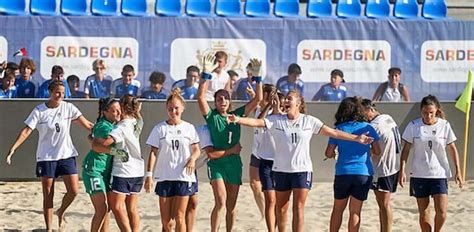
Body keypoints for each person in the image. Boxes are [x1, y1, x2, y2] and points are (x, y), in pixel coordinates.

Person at [227, 91, 374, 232]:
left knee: (298, 208)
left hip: (302, 171)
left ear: (298, 103)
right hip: (281, 170)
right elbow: (256, 122)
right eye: (285, 98)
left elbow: (334, 132)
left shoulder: (308, 121)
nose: (285, 101)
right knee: (281, 208)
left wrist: (357, 138)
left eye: (289, 98)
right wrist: (238, 119)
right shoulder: (276, 120)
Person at [5, 80, 94, 230]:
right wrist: (13, 149)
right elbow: (26, 131)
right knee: (48, 196)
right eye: (57, 92)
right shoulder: (39, 111)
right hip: (46, 157)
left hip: (66, 154)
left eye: (62, 93)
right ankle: (49, 228)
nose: (60, 96)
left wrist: (108, 130)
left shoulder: (69, 107)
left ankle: (61, 212)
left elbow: (88, 125)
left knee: (73, 191)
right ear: (50, 92)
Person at [197, 54, 263, 232]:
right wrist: (205, 74)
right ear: (216, 102)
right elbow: (201, 98)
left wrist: (258, 78)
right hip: (217, 163)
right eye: (219, 99)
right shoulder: (212, 117)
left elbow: (258, 100)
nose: (223, 101)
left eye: (225, 99)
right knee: (220, 201)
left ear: (229, 101)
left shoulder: (238, 115)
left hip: (234, 164)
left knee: (231, 207)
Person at [399, 95, 463, 232]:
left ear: (436, 111)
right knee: (424, 212)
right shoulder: (413, 126)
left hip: (439, 173)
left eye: (431, 113)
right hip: (419, 174)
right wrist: (402, 170)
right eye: (425, 113)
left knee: (442, 211)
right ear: (421, 111)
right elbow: (406, 150)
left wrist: (458, 170)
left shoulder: (444, 125)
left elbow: (452, 148)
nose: (428, 116)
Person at [145, 89, 201, 232]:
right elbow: (153, 153)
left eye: (176, 108)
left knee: (179, 216)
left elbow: (197, 149)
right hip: (165, 176)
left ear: (182, 108)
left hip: (184, 176)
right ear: (166, 109)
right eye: (170, 108)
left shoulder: (189, 128)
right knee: (166, 222)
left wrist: (192, 159)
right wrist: (149, 175)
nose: (173, 111)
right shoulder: (160, 129)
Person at [325, 97, 381, 232]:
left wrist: (334, 154)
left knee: (337, 209)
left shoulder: (338, 129)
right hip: (362, 172)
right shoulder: (368, 127)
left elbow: (328, 153)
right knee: (355, 212)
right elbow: (377, 151)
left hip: (343, 172)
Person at [93, 94, 145, 232]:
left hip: (123, 170)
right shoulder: (137, 121)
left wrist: (96, 143)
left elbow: (103, 143)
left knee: (116, 206)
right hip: (138, 170)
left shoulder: (120, 127)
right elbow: (139, 118)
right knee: (132, 208)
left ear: (122, 108)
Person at [82, 97, 128, 232]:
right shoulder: (104, 125)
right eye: (115, 111)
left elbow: (91, 138)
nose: (119, 113)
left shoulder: (111, 124)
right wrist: (116, 152)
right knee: (101, 208)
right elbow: (96, 146)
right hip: (94, 170)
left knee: (106, 209)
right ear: (105, 112)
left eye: (120, 110)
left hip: (105, 171)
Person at [361, 99, 400, 232]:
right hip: (393, 165)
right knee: (384, 204)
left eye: (362, 113)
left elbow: (373, 149)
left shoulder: (374, 126)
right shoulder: (388, 118)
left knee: (384, 205)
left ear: (370, 110)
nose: (362, 118)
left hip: (383, 169)